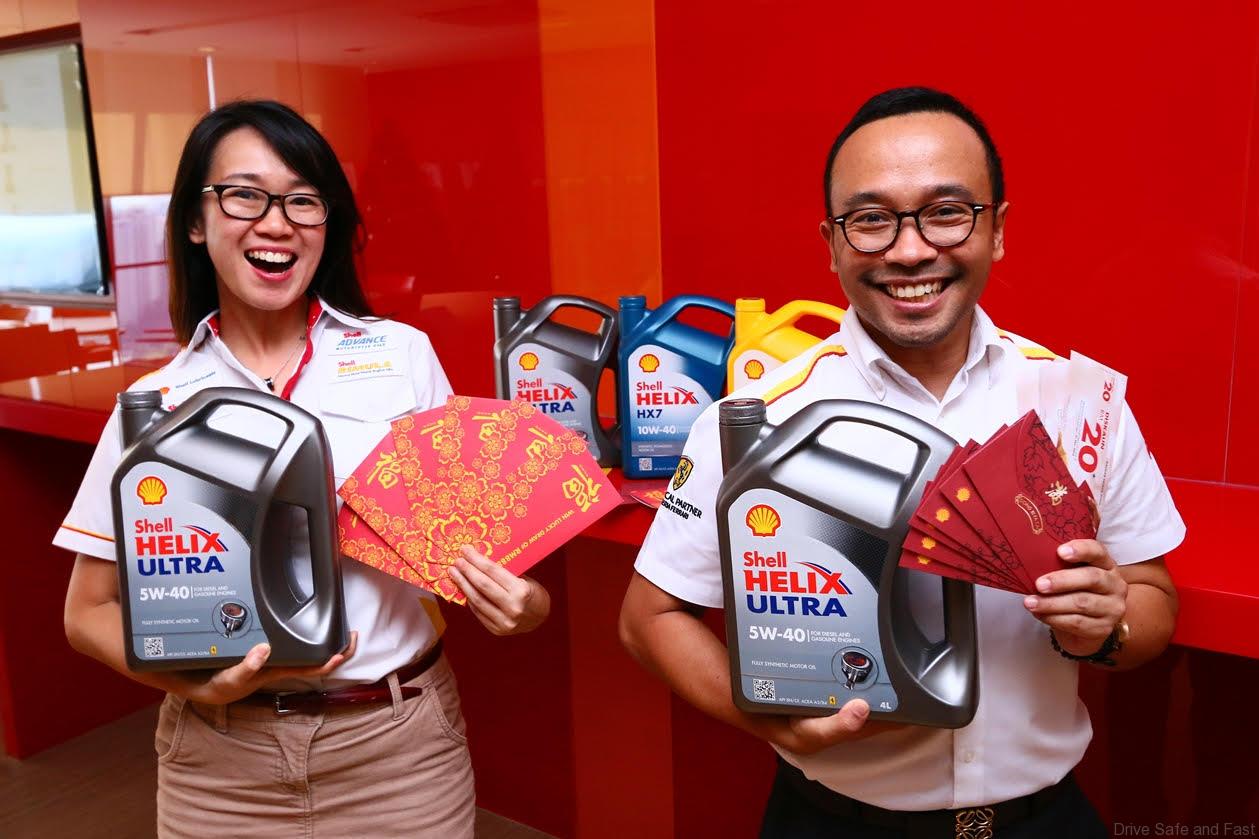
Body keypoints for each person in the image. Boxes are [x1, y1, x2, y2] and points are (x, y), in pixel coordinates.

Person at [619, 87, 1184, 838]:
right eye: (870, 220)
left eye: (946, 212)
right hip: (832, 822)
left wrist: (1108, 626)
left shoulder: (1077, 404)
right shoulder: (753, 417)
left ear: (998, 229)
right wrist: (769, 722)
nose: (910, 250)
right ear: (830, 243)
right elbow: (648, 618)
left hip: (1044, 819)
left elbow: (1152, 598)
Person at [58, 100, 550, 838]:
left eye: (302, 200)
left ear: (328, 223)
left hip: (397, 749)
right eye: (244, 195)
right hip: (219, 764)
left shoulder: (400, 356)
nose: (276, 222)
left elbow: (486, 557)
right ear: (195, 221)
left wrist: (525, 605)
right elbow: (87, 612)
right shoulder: (156, 403)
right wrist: (195, 682)